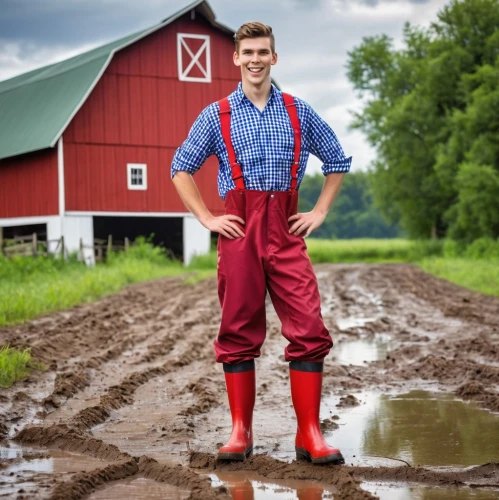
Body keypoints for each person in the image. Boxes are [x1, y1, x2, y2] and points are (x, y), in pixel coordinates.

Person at [171, 22, 351, 465]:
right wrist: (208, 217)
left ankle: (309, 434)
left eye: (263, 52)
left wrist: (319, 211)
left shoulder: (298, 111)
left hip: (286, 232)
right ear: (236, 58)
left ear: (275, 58)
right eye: (247, 51)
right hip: (240, 233)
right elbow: (180, 168)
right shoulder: (216, 115)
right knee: (237, 329)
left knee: (308, 327)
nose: (255, 59)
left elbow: (338, 159)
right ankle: (240, 431)